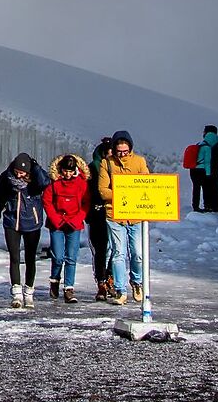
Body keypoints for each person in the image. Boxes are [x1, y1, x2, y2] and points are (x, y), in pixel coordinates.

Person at [0, 151, 48, 307]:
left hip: (32, 223)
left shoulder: (35, 180)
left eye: (23, 172)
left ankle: (29, 292)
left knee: (30, 258)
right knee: (14, 258)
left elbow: (46, 182)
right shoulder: (6, 178)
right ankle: (16, 293)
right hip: (12, 222)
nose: (19, 175)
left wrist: (35, 167)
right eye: (17, 172)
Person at [97, 129, 150, 304]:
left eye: (125, 151)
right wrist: (125, 193)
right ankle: (120, 290)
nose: (122, 154)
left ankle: (137, 282)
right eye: (119, 151)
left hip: (135, 214)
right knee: (118, 253)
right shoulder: (107, 163)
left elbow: (147, 185)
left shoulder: (139, 162)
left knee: (137, 253)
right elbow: (103, 190)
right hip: (115, 214)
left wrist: (134, 195)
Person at [42, 151, 90, 304]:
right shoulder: (54, 184)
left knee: (71, 257)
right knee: (58, 256)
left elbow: (85, 203)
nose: (68, 174)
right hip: (57, 224)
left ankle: (69, 288)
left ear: (75, 170)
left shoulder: (81, 184)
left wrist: (77, 219)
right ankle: (55, 280)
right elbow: (47, 202)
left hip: (74, 224)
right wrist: (56, 219)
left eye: (70, 171)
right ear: (61, 170)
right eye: (65, 170)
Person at [87, 136, 114, 300]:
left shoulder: (117, 168)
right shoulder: (93, 169)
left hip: (113, 212)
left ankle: (111, 277)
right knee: (100, 249)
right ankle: (101, 281)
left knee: (116, 249)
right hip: (97, 212)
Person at [191, 123, 218, 214]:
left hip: (197, 169)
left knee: (200, 188)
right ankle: (215, 206)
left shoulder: (202, 143)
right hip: (211, 169)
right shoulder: (215, 141)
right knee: (213, 187)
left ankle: (202, 206)